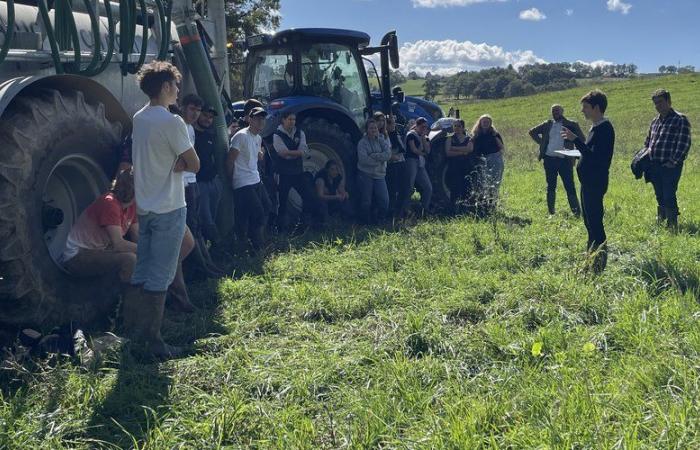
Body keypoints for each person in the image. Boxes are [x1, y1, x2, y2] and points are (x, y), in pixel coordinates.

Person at [125, 61, 200, 357]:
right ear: (166, 86)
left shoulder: (139, 118)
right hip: (169, 206)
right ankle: (153, 342)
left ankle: (133, 332)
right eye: (176, 85)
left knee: (142, 270)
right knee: (162, 274)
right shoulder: (172, 121)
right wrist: (177, 164)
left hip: (145, 208)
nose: (178, 91)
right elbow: (194, 163)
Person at [563, 90, 615, 273]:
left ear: (596, 108)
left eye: (585, 107)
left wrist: (575, 140)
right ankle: (590, 258)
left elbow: (595, 158)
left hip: (595, 182)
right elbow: (589, 153)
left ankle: (598, 264)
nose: (582, 111)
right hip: (588, 182)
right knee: (588, 222)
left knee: (595, 223)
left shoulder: (605, 129)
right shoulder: (595, 127)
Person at [62, 169, 138, 287]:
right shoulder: (110, 204)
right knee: (130, 260)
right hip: (77, 255)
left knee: (140, 257)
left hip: (99, 251)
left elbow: (137, 237)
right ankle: (122, 302)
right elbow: (119, 244)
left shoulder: (132, 207)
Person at [642, 89, 692, 230]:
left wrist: (673, 162)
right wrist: (644, 158)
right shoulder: (655, 121)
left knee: (669, 194)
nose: (658, 106)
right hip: (654, 165)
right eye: (655, 103)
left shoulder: (680, 119)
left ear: (669, 101)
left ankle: (672, 225)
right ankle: (662, 220)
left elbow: (684, 143)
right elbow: (648, 142)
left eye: (661, 102)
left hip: (670, 166)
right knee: (659, 194)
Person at [227, 106, 272, 252]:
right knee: (257, 212)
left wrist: (260, 155)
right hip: (242, 182)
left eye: (263, 119)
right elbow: (230, 160)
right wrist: (230, 181)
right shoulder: (241, 136)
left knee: (266, 207)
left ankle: (252, 242)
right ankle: (255, 245)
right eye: (258, 119)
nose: (261, 122)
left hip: (255, 179)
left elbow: (256, 155)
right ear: (250, 120)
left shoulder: (258, 137)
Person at [529, 105, 585, 216]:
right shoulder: (547, 124)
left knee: (570, 186)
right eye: (553, 111)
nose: (555, 113)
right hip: (549, 160)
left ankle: (577, 213)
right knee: (550, 186)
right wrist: (543, 143)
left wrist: (578, 154)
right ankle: (551, 213)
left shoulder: (571, 124)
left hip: (565, 160)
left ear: (562, 111)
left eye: (558, 111)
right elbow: (532, 132)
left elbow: (582, 140)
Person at [271, 111, 318, 231]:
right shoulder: (277, 135)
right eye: (290, 119)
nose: (292, 122)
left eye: (294, 119)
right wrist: (298, 153)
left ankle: (303, 225)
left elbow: (304, 150)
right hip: (283, 173)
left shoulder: (300, 132)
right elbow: (283, 153)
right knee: (282, 202)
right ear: (283, 120)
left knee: (308, 196)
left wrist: (294, 153)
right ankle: (280, 229)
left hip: (297, 172)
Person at [193, 103, 222, 242]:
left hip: (213, 181)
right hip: (199, 183)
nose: (208, 119)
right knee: (205, 218)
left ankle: (210, 246)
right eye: (205, 115)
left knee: (213, 215)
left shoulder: (210, 134)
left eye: (211, 117)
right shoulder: (191, 133)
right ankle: (219, 247)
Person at [356, 118, 392, 223]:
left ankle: (381, 219)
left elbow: (388, 154)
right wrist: (380, 160)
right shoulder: (362, 143)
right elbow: (363, 160)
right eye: (371, 128)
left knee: (384, 200)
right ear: (366, 130)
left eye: (375, 128)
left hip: (380, 174)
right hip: (365, 174)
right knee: (366, 200)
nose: (374, 130)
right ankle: (365, 221)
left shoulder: (382, 140)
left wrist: (374, 156)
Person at [471, 114, 505, 214]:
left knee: (495, 182)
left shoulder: (494, 134)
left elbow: (501, 147)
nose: (485, 123)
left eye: (488, 122)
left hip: (494, 158)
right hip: (481, 159)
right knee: (483, 182)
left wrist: (497, 155)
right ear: (480, 123)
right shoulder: (476, 134)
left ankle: (493, 205)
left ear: (490, 123)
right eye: (484, 121)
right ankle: (483, 206)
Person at [444, 119, 474, 213]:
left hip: (466, 166)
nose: (456, 128)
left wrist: (454, 148)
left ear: (463, 127)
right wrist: (462, 152)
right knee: (455, 189)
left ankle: (464, 210)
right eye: (455, 126)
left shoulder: (469, 138)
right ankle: (453, 211)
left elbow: (469, 149)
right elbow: (448, 153)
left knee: (466, 188)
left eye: (459, 126)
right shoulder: (449, 138)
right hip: (454, 167)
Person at [405, 117, 433, 216]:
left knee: (428, 187)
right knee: (410, 186)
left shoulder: (425, 137)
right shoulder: (411, 135)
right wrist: (422, 153)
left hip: (420, 163)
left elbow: (428, 150)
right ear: (417, 126)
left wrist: (423, 138)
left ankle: (424, 208)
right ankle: (406, 209)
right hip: (411, 161)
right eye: (422, 126)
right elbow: (413, 149)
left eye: (426, 127)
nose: (424, 128)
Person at [386, 115, 412, 218]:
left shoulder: (395, 134)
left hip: (401, 163)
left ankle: (402, 210)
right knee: (392, 189)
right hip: (392, 165)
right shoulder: (385, 136)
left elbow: (402, 149)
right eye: (390, 123)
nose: (393, 125)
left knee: (405, 188)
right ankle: (392, 212)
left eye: (393, 122)